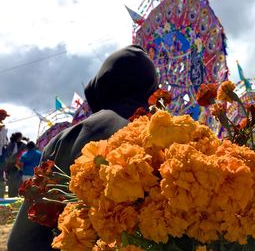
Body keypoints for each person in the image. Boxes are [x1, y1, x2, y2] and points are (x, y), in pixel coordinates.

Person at [8, 44, 158, 251]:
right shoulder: (174, 136)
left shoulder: (68, 139)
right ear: (151, 88)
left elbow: (21, 241)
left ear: (103, 83)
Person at [5, 132, 26, 197]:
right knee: (16, 184)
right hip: (14, 167)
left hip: (14, 167)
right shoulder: (18, 145)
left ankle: (13, 197)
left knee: (14, 184)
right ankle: (14, 197)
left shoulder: (10, 144)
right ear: (18, 137)